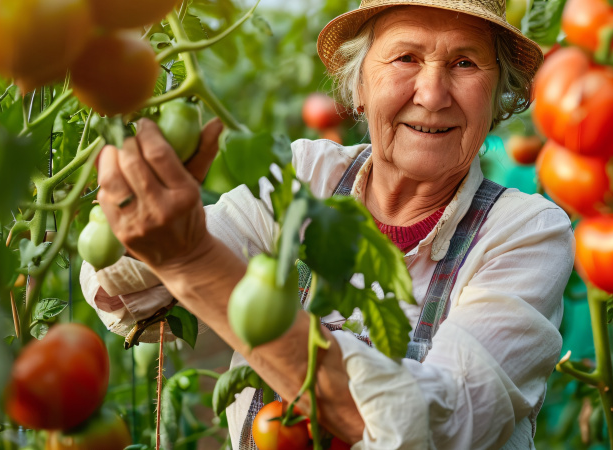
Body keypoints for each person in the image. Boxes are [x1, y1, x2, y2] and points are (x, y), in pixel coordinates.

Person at [81, 0, 574, 448]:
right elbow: (134, 297)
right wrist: (142, 223)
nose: (433, 92)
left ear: (497, 97)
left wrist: (193, 262)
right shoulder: (305, 177)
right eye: (405, 58)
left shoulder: (525, 232)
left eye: (465, 63)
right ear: (359, 87)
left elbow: (443, 426)